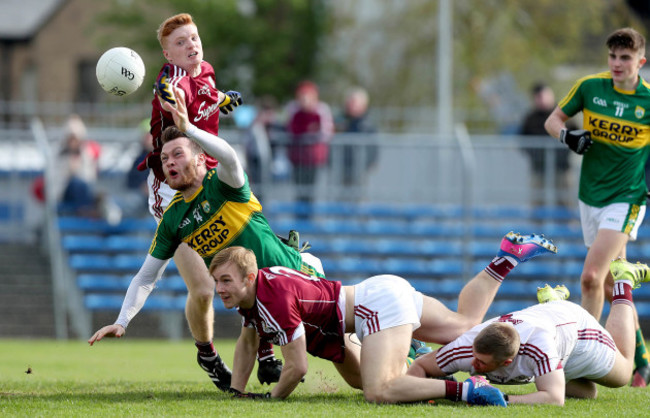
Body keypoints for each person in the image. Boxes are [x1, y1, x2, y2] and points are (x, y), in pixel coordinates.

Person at [88, 82, 326, 392]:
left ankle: (403, 344)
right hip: (264, 296)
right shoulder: (173, 219)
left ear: (201, 158)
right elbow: (146, 277)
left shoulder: (223, 184)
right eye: (164, 159)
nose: (169, 162)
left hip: (301, 276)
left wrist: (195, 123)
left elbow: (228, 156)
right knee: (248, 315)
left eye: (178, 154)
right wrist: (122, 321)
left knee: (347, 346)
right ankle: (237, 386)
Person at [209, 231, 559, 404]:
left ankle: (468, 391)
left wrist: (271, 401)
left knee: (379, 390)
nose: (219, 288)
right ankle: (505, 259)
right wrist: (237, 393)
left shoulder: (272, 298)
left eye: (225, 280)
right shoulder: (258, 293)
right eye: (216, 281)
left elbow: (296, 367)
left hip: (371, 308)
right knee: (466, 325)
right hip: (376, 298)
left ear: (249, 277)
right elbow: (248, 341)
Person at [544, 27, 650, 387]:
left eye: (625, 58)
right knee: (609, 283)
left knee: (591, 277)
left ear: (641, 61)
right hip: (590, 195)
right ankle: (642, 360)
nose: (617, 64)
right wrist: (568, 136)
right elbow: (552, 120)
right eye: (613, 57)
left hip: (628, 196)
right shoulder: (590, 87)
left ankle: (583, 361)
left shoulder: (648, 100)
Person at [408, 258, 650, 405]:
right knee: (587, 394)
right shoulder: (468, 347)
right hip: (548, 330)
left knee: (623, 372)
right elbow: (419, 367)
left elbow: (554, 399)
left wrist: (501, 399)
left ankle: (623, 282)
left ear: (507, 361)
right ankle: (552, 303)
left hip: (576, 330)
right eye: (475, 356)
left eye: (481, 363)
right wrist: (424, 393)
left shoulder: (538, 349)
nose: (473, 364)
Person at [519, 82, 573, 207]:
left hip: (561, 167)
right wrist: (536, 155)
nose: (542, 99)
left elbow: (575, 135)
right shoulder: (530, 118)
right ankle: (536, 227)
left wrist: (563, 153)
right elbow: (522, 140)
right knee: (538, 201)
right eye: (538, 96)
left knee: (564, 202)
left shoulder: (563, 114)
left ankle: (565, 226)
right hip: (539, 167)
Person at [285, 80, 334, 218]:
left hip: (314, 158)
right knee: (299, 190)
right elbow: (291, 129)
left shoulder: (321, 110)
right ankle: (300, 220)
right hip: (297, 158)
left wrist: (309, 134)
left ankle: (309, 219)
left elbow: (326, 132)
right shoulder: (294, 111)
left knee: (311, 191)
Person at [335, 86, 378, 195]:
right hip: (342, 168)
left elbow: (373, 148)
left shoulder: (368, 125)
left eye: (354, 102)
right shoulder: (340, 121)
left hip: (360, 170)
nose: (350, 105)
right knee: (342, 200)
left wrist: (367, 165)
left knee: (359, 200)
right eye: (349, 102)